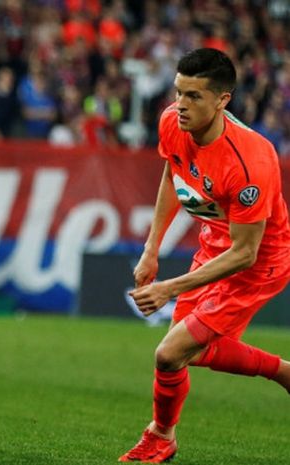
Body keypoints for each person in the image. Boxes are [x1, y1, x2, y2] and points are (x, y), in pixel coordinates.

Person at [119, 48, 290, 463]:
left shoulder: (251, 162)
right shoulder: (172, 122)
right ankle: (285, 372)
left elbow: (246, 253)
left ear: (222, 100)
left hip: (258, 264)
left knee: (169, 352)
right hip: (216, 244)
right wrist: (151, 249)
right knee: (186, 353)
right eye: (178, 92)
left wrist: (169, 289)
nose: (180, 105)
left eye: (194, 96)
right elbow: (172, 170)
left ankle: (161, 435)